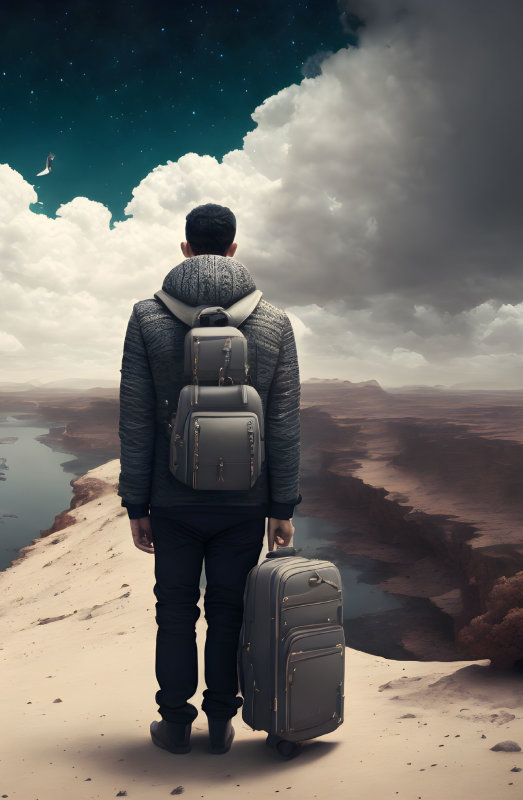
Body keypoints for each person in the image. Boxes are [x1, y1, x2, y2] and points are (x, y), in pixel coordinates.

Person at [118, 202, 301, 755]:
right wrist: (283, 506)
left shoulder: (147, 317)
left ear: (185, 247)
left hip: (171, 502)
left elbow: (135, 417)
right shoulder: (273, 321)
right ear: (234, 248)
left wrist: (136, 503)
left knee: (173, 610)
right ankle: (221, 723)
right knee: (229, 610)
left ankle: (175, 723)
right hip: (243, 502)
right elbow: (285, 421)